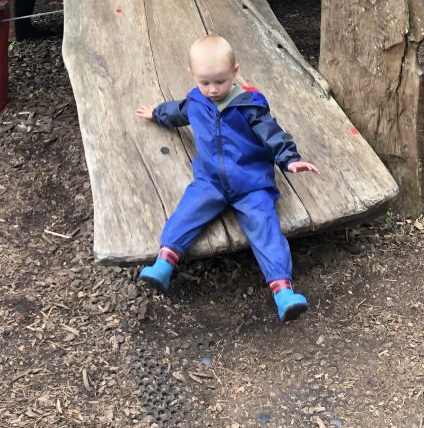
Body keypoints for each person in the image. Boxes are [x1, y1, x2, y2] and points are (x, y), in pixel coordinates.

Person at [135, 35, 320, 322]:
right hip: (211, 180)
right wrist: (156, 113)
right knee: (188, 211)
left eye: (219, 81)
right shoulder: (197, 101)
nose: (212, 89)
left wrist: (290, 159)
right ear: (193, 75)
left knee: (265, 227)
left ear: (234, 72)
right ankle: (164, 263)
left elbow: (272, 133)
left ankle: (283, 291)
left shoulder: (249, 106)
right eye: (205, 82)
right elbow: (178, 111)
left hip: (251, 184)